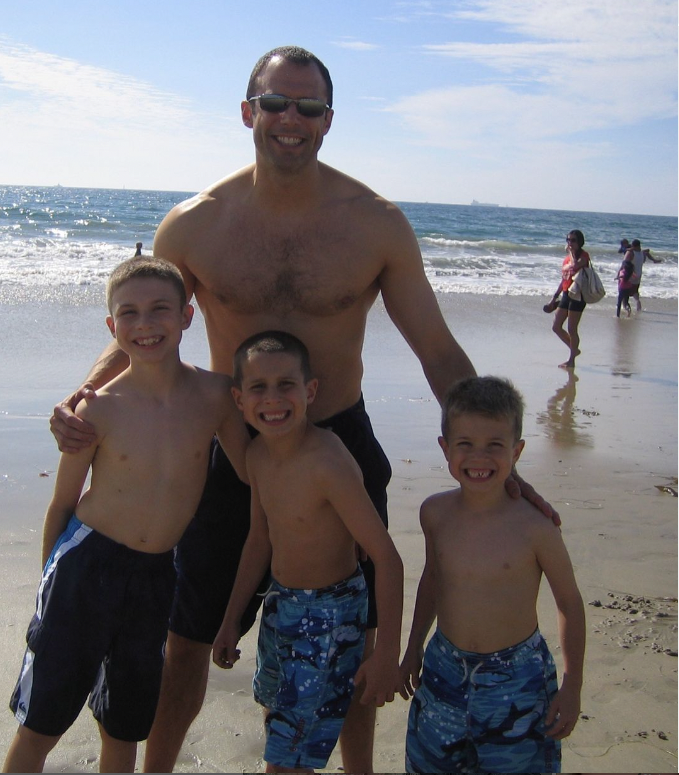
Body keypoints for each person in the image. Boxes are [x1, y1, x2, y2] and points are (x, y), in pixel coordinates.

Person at [49, 46, 555, 774]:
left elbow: (438, 353)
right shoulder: (193, 225)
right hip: (228, 444)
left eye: (308, 108)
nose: (291, 120)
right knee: (186, 635)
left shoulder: (375, 223)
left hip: (337, 443)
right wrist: (82, 400)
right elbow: (144, 331)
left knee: (352, 631)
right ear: (247, 110)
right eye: (276, 103)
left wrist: (499, 459)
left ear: (328, 121)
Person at [3, 257, 250, 773]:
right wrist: (52, 581)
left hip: (158, 574)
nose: (145, 324)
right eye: (129, 314)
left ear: (187, 315)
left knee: (126, 724)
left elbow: (253, 474)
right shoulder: (99, 408)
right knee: (42, 721)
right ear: (113, 328)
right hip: (84, 568)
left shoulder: (215, 397)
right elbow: (63, 503)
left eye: (160, 309)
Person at [212, 331, 403, 772]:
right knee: (278, 722)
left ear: (309, 391)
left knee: (288, 758)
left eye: (286, 385)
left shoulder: (327, 461)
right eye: (258, 387)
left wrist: (386, 654)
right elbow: (259, 540)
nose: (273, 399)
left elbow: (386, 557)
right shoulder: (257, 454)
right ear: (240, 400)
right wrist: (231, 621)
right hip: (282, 607)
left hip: (331, 614)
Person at [399, 376, 585, 774]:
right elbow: (433, 580)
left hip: (517, 676)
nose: (478, 457)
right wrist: (412, 647)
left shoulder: (536, 527)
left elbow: (569, 602)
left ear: (516, 451)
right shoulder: (435, 513)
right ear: (445, 448)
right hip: (443, 668)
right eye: (465, 444)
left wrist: (572, 686)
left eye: (494, 446)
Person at [544, 229, 590, 369]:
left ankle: (571, 360)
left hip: (578, 294)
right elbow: (564, 279)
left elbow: (576, 266)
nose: (570, 243)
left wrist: (571, 253)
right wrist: (554, 297)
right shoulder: (566, 259)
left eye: (573, 240)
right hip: (566, 293)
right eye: (568, 240)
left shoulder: (584, 256)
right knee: (556, 326)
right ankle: (574, 349)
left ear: (580, 242)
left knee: (572, 328)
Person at [624, 238, 662, 312]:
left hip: (630, 275)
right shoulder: (642, 253)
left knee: (625, 292)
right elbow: (647, 253)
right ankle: (638, 303)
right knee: (635, 291)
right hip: (638, 275)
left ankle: (626, 307)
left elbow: (625, 263)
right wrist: (654, 260)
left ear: (633, 246)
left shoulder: (631, 253)